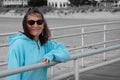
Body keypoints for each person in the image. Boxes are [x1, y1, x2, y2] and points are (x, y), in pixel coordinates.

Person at [7, 7, 70, 80]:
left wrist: (51, 55)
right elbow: (13, 75)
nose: (35, 25)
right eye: (31, 22)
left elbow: (66, 54)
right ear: (25, 25)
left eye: (39, 22)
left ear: (43, 25)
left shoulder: (44, 43)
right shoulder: (18, 44)